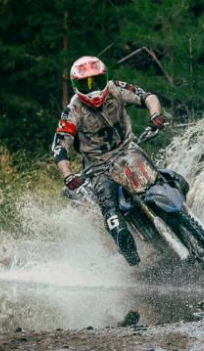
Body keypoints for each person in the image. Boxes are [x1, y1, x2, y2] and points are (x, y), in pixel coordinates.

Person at [51, 56, 167, 266]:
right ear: (76, 86)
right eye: (85, 84)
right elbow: (60, 146)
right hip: (98, 169)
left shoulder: (116, 89)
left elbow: (147, 96)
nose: (92, 88)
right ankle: (127, 247)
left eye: (96, 81)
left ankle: (180, 210)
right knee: (108, 206)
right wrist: (68, 175)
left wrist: (156, 115)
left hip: (130, 153)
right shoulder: (72, 111)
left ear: (104, 78)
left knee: (160, 178)